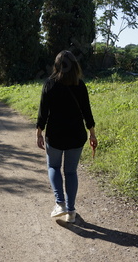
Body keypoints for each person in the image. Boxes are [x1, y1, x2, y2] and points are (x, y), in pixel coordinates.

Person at [36, 50, 97, 223]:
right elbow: (87, 112)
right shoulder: (80, 85)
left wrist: (39, 132)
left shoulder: (49, 84)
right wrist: (92, 134)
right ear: (74, 66)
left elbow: (43, 112)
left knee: (54, 167)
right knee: (71, 172)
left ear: (56, 65)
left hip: (55, 136)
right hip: (76, 136)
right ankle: (71, 211)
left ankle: (60, 204)